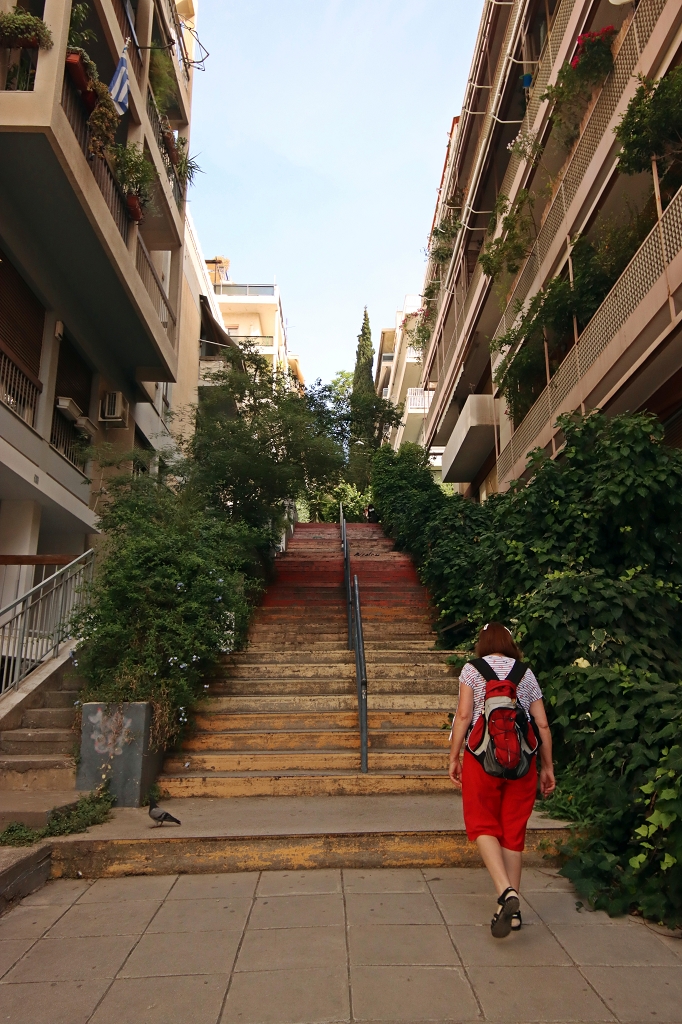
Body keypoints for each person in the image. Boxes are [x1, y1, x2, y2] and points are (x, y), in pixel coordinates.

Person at [448, 621, 555, 937]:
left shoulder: (472, 670)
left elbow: (464, 716)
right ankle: (515, 912)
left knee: (482, 824)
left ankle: (506, 892)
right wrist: (547, 767)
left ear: (482, 643)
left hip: (481, 759)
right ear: (510, 642)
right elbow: (542, 724)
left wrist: (453, 756)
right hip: (522, 762)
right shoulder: (525, 673)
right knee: (512, 831)